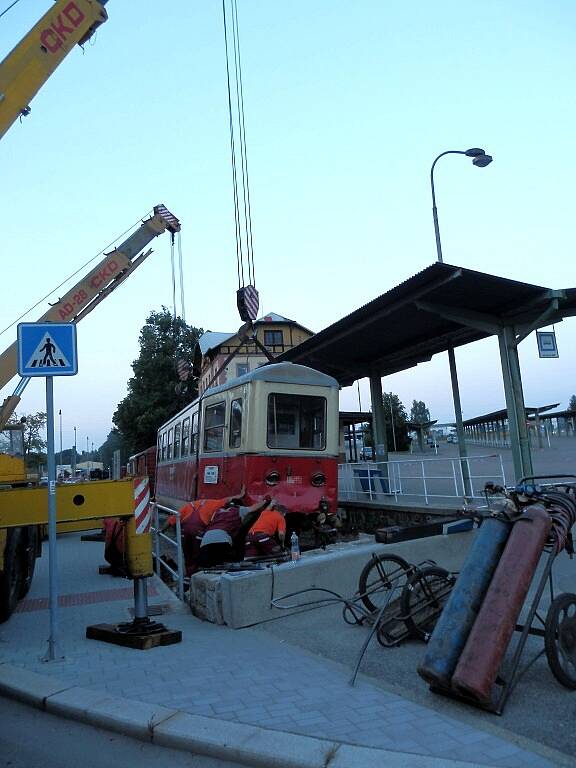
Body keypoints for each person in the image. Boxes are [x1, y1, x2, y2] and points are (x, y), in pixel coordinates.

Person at [161, 485, 245, 576]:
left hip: (184, 531)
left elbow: (170, 520)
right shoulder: (214, 503)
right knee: (197, 555)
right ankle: (196, 575)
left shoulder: (188, 506)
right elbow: (227, 500)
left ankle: (187, 576)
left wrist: (161, 530)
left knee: (187, 555)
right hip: (199, 531)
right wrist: (240, 495)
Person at [197, 496, 273, 569]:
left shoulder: (217, 512)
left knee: (207, 569)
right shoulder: (238, 510)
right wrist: (265, 501)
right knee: (221, 568)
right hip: (222, 540)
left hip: (205, 540)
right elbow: (253, 508)